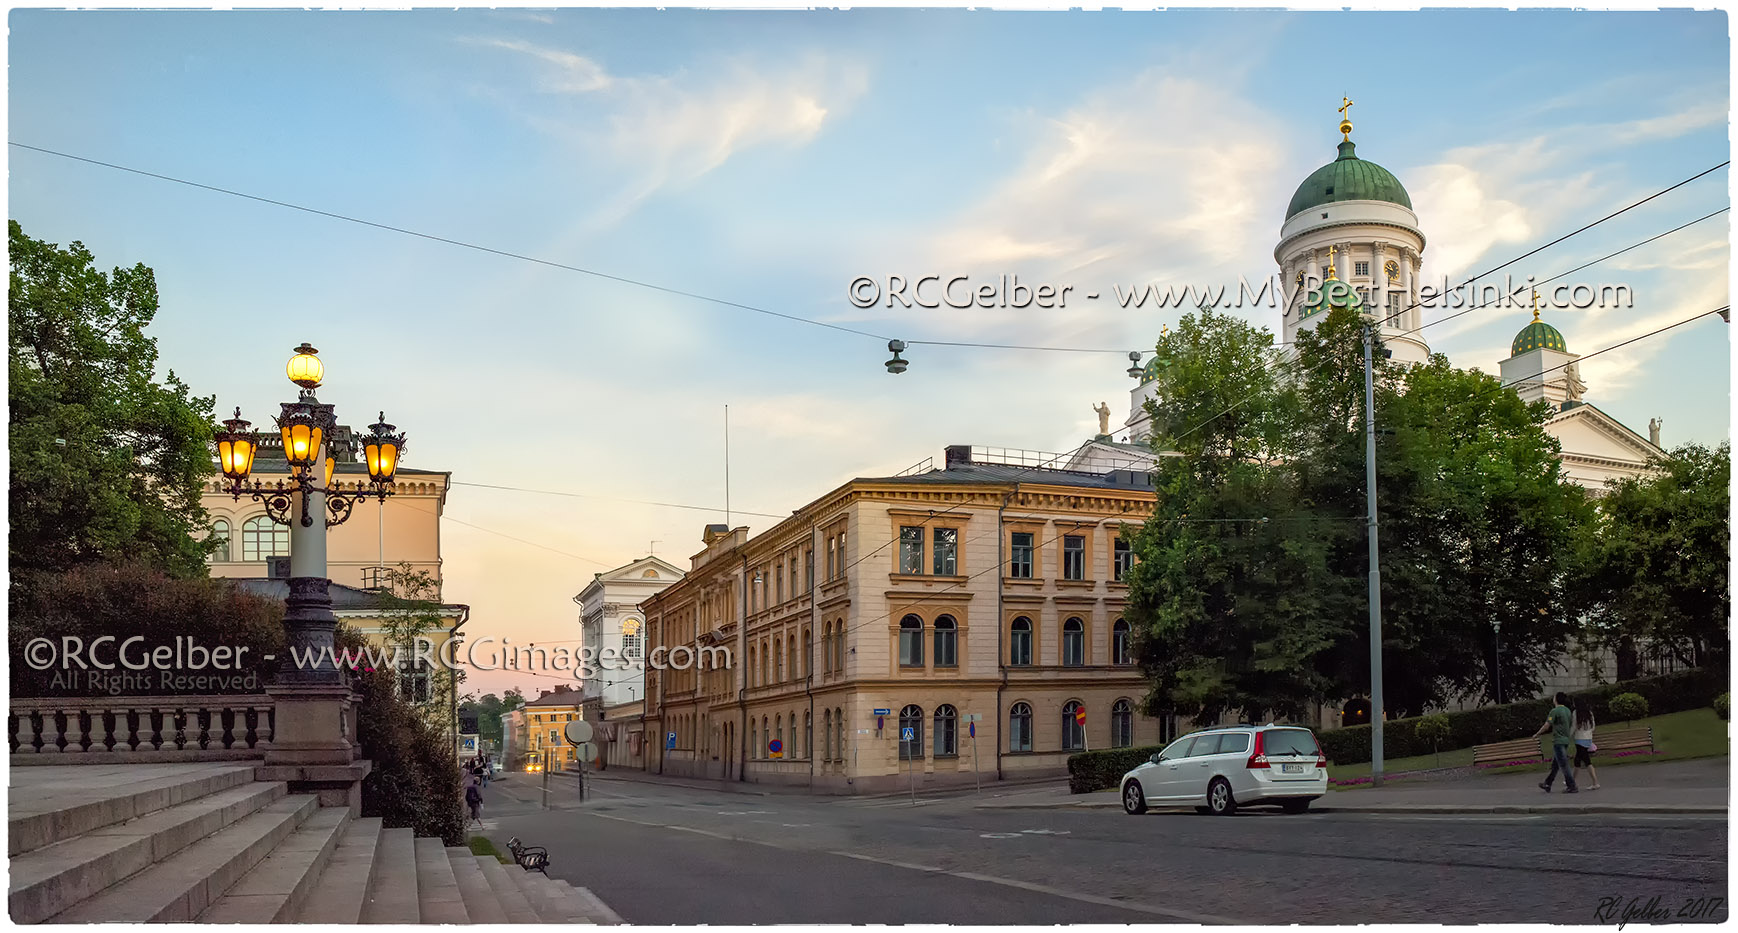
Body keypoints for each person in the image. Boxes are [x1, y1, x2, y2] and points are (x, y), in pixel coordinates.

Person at [1533, 692, 1579, 793]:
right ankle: (1547, 783)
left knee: (1563, 765)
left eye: (1554, 697)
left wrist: (1537, 734)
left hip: (1558, 741)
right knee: (1555, 765)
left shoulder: (1554, 711)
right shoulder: (1567, 711)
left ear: (1556, 699)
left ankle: (1572, 785)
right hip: (1566, 740)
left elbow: (1547, 725)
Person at [1572, 697, 1602, 791]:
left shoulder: (1576, 713)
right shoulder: (1589, 713)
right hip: (1588, 738)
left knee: (1586, 761)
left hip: (1579, 738)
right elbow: (1593, 726)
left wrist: (1568, 735)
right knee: (1578, 760)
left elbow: (1573, 726)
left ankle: (1595, 782)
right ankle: (1572, 781)